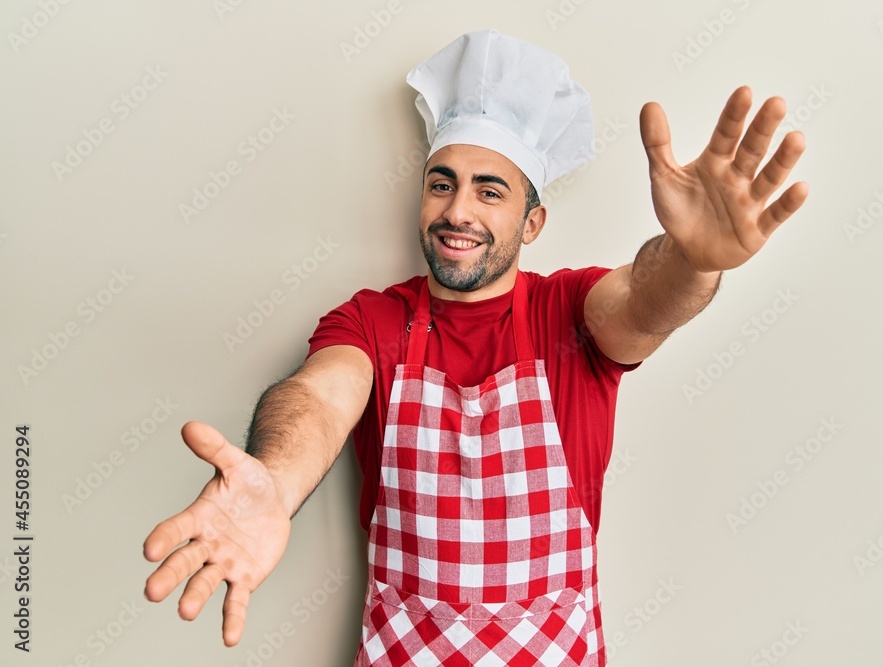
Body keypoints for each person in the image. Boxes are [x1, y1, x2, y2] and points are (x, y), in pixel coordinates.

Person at [143, 29, 807, 666]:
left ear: (532, 221)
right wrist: (276, 479)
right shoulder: (373, 320)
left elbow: (646, 299)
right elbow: (318, 396)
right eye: (442, 183)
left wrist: (692, 260)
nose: (457, 210)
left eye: (490, 191)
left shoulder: (570, 313)